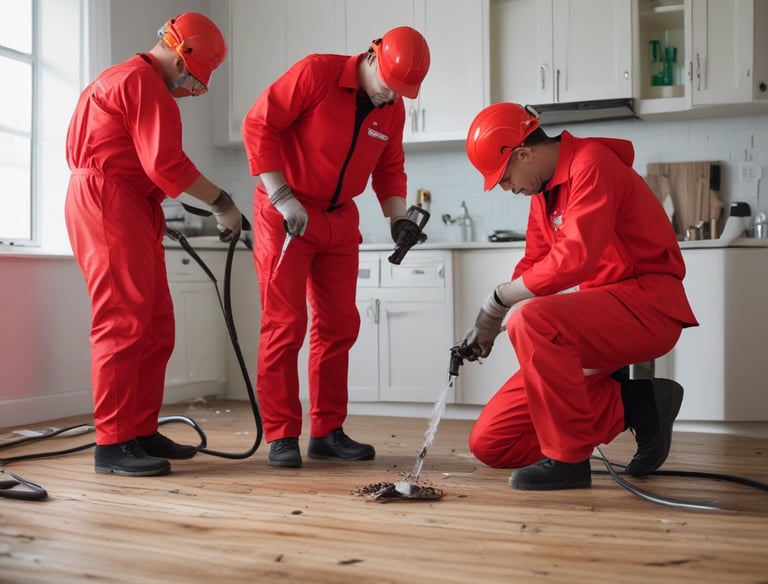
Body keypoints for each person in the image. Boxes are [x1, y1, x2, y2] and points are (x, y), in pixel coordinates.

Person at [460, 102, 699, 490]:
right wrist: (489, 325)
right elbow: (536, 261)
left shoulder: (593, 164)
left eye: (503, 179)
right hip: (596, 318)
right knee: (491, 442)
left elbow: (574, 261)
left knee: (531, 318)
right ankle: (638, 405)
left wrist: (498, 302)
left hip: (648, 307)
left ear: (523, 154)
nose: (506, 188)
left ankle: (568, 460)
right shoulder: (545, 191)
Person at [241, 26, 431, 467]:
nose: (391, 98)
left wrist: (398, 217)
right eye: (389, 86)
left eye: (402, 92)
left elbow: (390, 167)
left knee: (339, 325)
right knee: (284, 324)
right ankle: (282, 434)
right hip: (287, 213)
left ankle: (327, 431)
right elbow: (259, 124)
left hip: (340, 218)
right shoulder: (316, 74)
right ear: (371, 56)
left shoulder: (392, 108)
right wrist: (281, 195)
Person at [65, 12, 243, 477]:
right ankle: (114, 443)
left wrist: (147, 210)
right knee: (122, 321)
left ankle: (140, 429)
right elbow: (167, 164)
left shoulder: (127, 79)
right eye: (193, 76)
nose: (188, 86)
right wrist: (223, 202)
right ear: (184, 58)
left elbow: (146, 165)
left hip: (127, 201)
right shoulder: (141, 82)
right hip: (108, 199)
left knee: (156, 322)